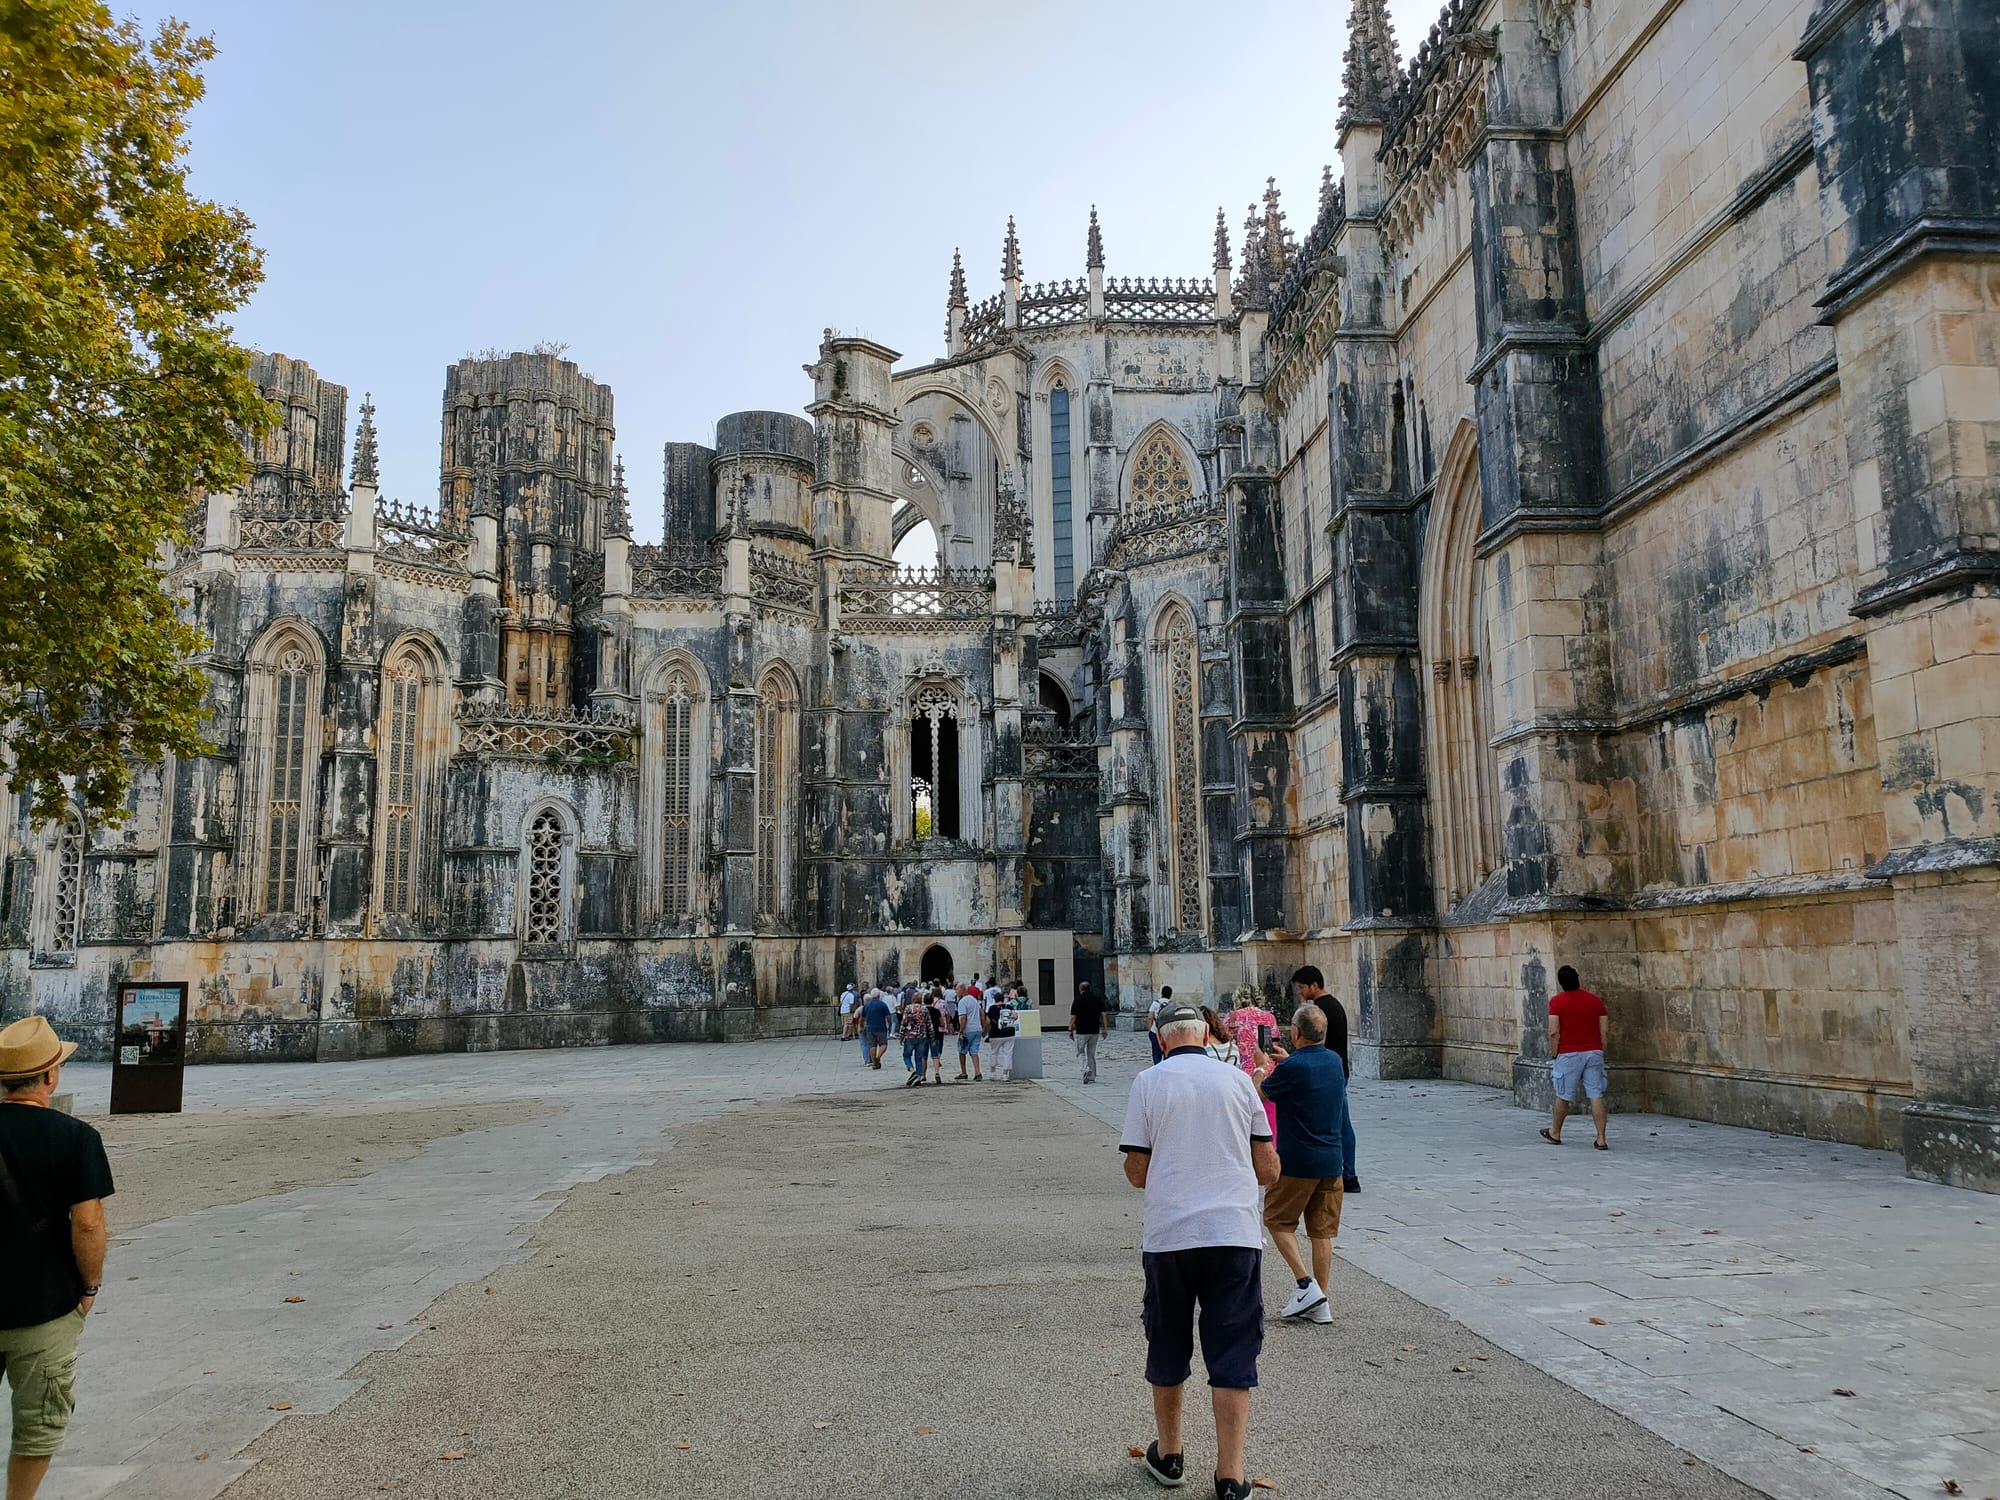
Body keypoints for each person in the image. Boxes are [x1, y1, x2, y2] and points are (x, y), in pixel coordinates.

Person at [1119, 1003, 1279, 1500]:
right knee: (1232, 1350)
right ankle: (1230, 1477)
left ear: (1162, 1039)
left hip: (1171, 1237)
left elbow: (1139, 1172)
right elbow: (1268, 1169)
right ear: (1208, 1035)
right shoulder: (1237, 1082)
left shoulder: (1148, 1083)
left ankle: (1169, 1456)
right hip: (1232, 1232)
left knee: (1167, 1341)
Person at [0, 1017, 112, 1500]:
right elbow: (88, 1224)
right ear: (51, 1076)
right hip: (44, 1303)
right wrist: (90, 1286)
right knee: (38, 1425)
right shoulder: (76, 1138)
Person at [1252, 1004, 1347, 1326]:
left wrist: (1263, 1068)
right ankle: (1322, 1301)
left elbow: (1257, 1096)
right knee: (1322, 1232)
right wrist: (1287, 1063)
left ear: (1295, 1033)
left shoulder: (1293, 1069)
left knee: (1277, 1219)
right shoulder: (1334, 1061)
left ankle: (1305, 1284)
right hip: (1332, 1158)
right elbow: (1309, 1077)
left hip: (1296, 1159)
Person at [1291, 966, 1359, 1193]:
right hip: (1337, 1071)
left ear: (1314, 985)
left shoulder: (1320, 1011)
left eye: (1302, 987)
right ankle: (1346, 1173)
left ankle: (1348, 1175)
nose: (1300, 992)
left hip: (1330, 1073)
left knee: (1339, 1125)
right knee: (1339, 1124)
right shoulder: (1333, 1005)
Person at [1542, 965, 1610, 1150]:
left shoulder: (1556, 1002)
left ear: (1561, 982)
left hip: (1568, 1053)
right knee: (1596, 1094)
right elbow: (1604, 1029)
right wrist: (1601, 1048)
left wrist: (1555, 1053)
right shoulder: (1595, 1001)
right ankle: (1601, 1138)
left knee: (1563, 1095)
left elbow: (1554, 1031)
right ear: (1577, 979)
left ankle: (1555, 1132)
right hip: (1594, 1051)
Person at [1070, 981, 1109, 1084]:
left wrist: (1070, 1029)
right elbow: (1104, 1014)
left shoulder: (1078, 1000)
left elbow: (1073, 1017)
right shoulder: (1097, 999)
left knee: (1080, 1052)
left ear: (1080, 989)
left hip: (1081, 1031)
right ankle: (1092, 1076)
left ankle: (1085, 1069)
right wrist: (1105, 1029)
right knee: (1091, 1053)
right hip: (1094, 1030)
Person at [901, 991, 933, 1085]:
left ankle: (912, 1070)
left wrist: (901, 1036)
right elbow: (929, 1024)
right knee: (919, 1058)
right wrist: (932, 1037)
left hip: (910, 1036)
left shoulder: (908, 1008)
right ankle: (918, 1078)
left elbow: (904, 1023)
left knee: (906, 1056)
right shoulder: (924, 1009)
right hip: (922, 1036)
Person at [955, 982, 985, 1082]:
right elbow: (982, 1013)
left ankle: (964, 1072)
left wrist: (961, 1031)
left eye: (957, 989)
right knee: (974, 1051)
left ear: (963, 990)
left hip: (968, 1029)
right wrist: (982, 1026)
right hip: (977, 1028)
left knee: (961, 1051)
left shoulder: (962, 1002)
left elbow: (963, 1018)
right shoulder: (974, 1000)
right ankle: (977, 1072)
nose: (956, 991)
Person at [988, 990, 1019, 1081]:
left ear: (995, 999)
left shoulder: (991, 1008)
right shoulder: (1009, 1006)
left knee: (994, 1052)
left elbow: (988, 1022)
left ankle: (993, 1073)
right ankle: (1005, 1074)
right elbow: (1015, 1016)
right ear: (1003, 999)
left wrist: (985, 1032)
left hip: (995, 1034)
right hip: (1009, 1033)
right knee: (1008, 1053)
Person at [859, 988, 892, 1070]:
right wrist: (890, 1024)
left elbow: (862, 1018)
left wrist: (861, 1026)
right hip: (881, 1027)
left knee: (872, 1045)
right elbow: (888, 1017)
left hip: (870, 1028)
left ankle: (874, 1062)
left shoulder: (866, 1005)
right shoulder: (882, 1004)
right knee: (883, 1044)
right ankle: (877, 1057)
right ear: (878, 995)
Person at [1146, 984, 1175, 1067]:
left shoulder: (1155, 1003)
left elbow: (1150, 1017)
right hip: (1168, 1031)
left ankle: (1157, 1067)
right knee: (1167, 1051)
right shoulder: (1172, 1004)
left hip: (1155, 1031)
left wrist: (1149, 1029)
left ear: (1161, 993)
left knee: (1156, 1051)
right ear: (1170, 994)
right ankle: (1166, 1066)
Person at [926, 988, 951, 1085]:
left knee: (924, 1053)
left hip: (928, 1029)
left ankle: (923, 1074)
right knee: (939, 1043)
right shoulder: (943, 1002)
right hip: (939, 1027)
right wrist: (947, 1025)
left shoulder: (929, 1005)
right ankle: (938, 1059)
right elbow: (947, 1014)